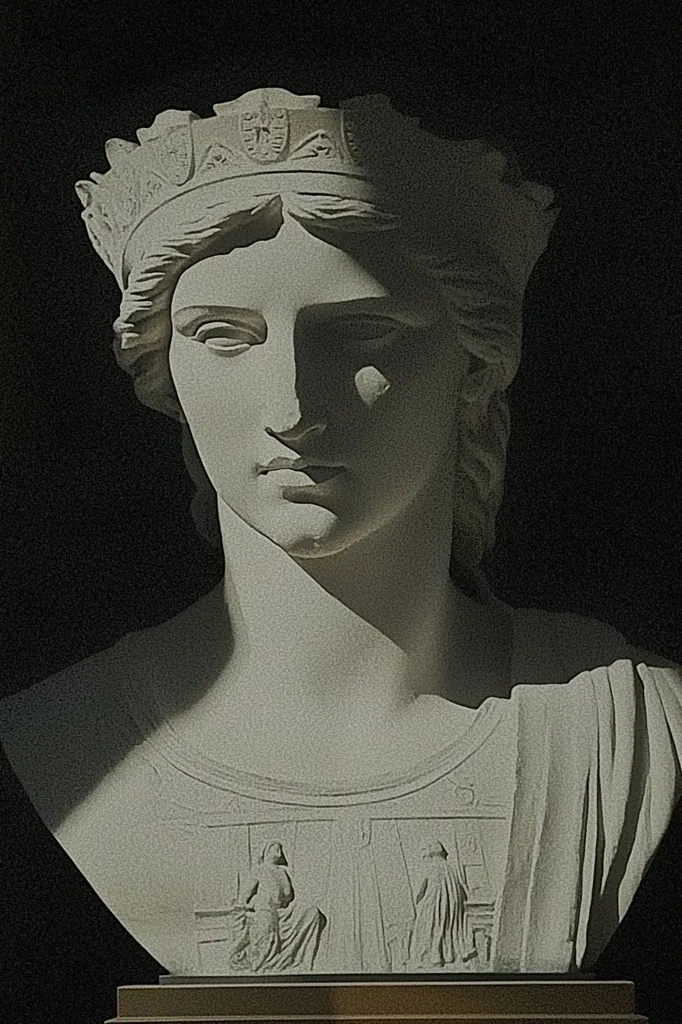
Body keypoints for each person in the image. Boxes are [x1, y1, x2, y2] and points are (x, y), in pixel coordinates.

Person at [0, 88, 680, 978]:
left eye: (361, 331)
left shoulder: (634, 731)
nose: (290, 406)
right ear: (166, 373)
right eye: (223, 335)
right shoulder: (59, 741)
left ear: (473, 364)